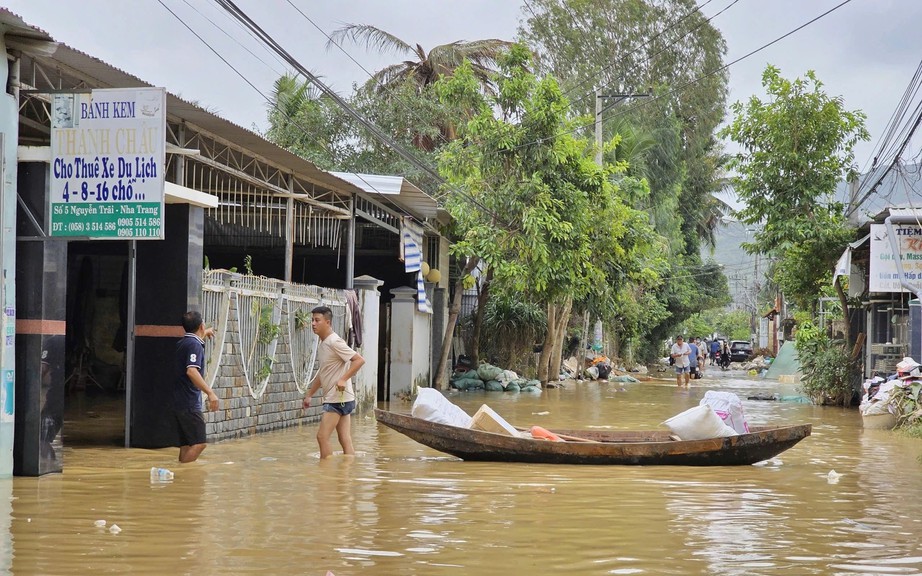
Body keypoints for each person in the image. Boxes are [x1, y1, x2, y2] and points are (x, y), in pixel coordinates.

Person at [302, 306, 366, 459]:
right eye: (312, 320)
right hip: (344, 398)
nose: (313, 324)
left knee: (322, 437)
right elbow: (323, 373)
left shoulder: (334, 342)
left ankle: (326, 474)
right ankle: (345, 474)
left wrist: (343, 379)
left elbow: (359, 360)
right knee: (344, 438)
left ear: (328, 322)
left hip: (336, 398)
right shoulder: (324, 344)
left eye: (317, 320)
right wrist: (309, 395)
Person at [174, 311, 219, 463]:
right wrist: (210, 393)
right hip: (189, 403)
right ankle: (182, 473)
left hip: (179, 402)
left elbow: (194, 341)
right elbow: (192, 371)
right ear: (201, 325)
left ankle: (182, 482)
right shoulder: (194, 345)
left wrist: (205, 333)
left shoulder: (183, 343)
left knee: (187, 444)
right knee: (200, 443)